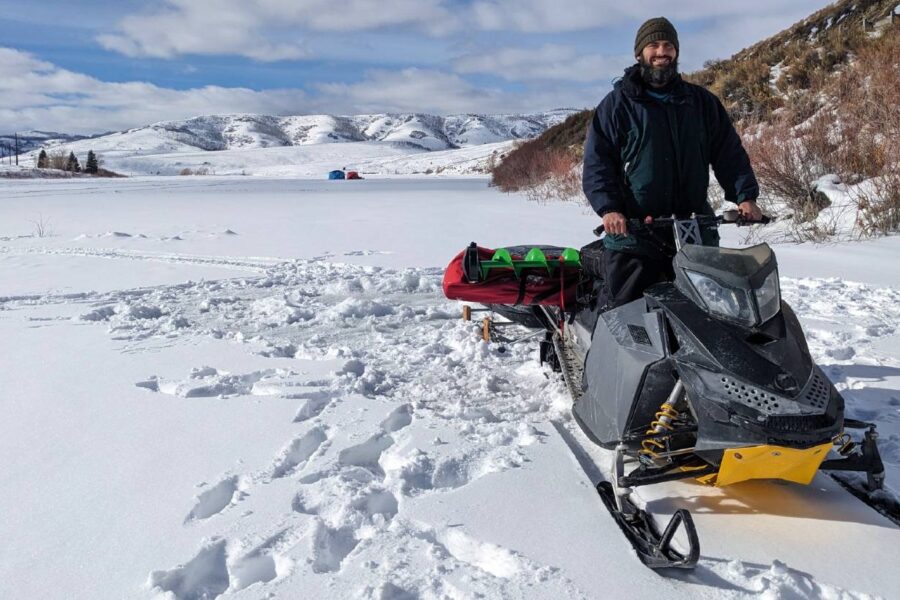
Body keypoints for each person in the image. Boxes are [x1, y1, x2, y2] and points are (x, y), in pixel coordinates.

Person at [582, 17, 762, 309]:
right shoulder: (617, 105)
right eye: (653, 45)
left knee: (709, 312)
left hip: (694, 228)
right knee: (630, 317)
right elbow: (598, 163)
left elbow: (729, 153)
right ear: (639, 53)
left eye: (668, 45)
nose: (662, 52)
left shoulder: (701, 102)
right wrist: (609, 208)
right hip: (635, 233)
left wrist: (745, 196)